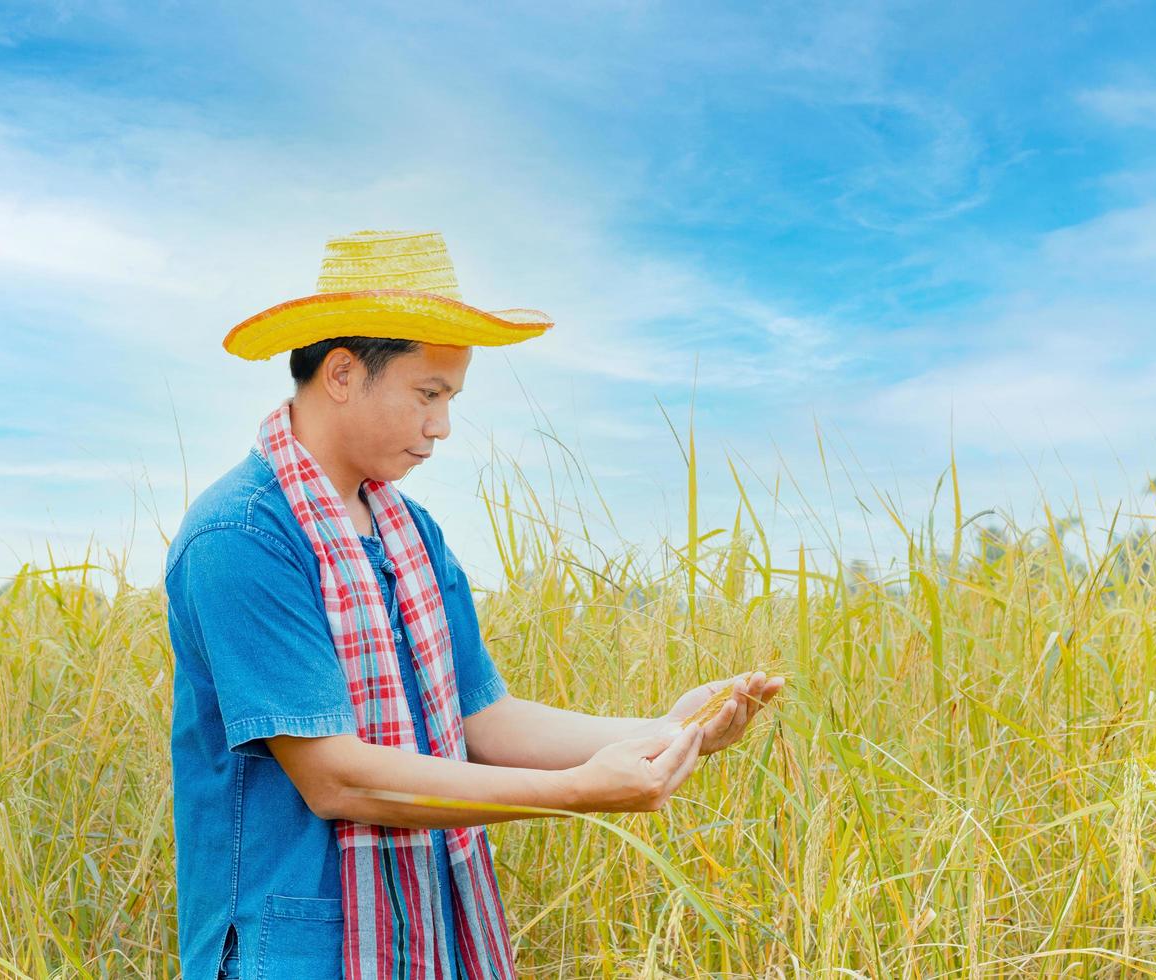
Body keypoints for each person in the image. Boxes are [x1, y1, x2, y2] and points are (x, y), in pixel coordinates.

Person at [164, 230, 784, 980]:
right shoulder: (243, 534)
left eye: (450, 398)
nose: (442, 426)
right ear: (341, 374)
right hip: (293, 948)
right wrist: (575, 794)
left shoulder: (410, 532)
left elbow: (481, 719)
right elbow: (337, 777)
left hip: (421, 937)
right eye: (428, 394)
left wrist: (668, 730)